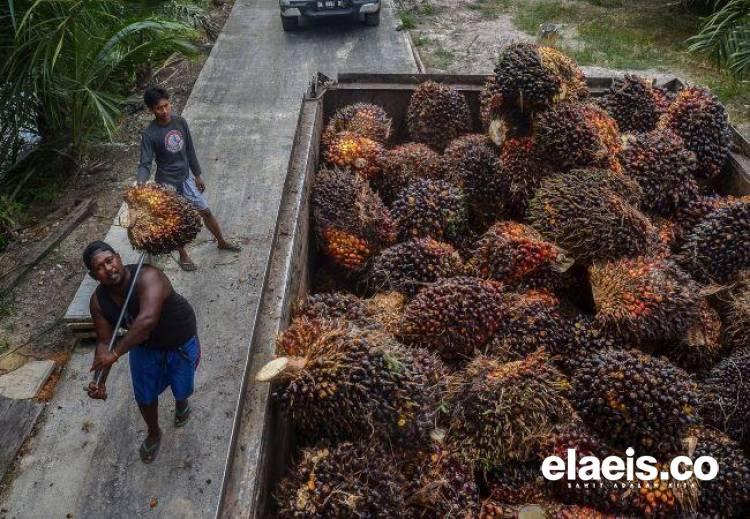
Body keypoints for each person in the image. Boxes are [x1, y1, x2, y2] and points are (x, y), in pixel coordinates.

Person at [84, 241, 201, 464]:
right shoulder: (98, 302)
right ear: (93, 275)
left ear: (118, 257)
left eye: (110, 260)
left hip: (177, 337)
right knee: (144, 394)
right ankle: (154, 432)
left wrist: (115, 354)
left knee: (182, 385)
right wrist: (100, 380)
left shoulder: (148, 276)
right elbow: (104, 342)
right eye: (100, 267)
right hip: (144, 345)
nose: (108, 269)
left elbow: (146, 321)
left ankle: (181, 402)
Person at [137, 86, 241, 271]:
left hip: (186, 178)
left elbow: (190, 150)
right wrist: (141, 184)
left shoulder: (180, 123)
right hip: (167, 183)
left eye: (167, 105)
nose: (165, 111)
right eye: (159, 108)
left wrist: (198, 175)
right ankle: (183, 255)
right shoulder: (150, 134)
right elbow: (145, 163)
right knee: (175, 222)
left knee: (206, 211)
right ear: (152, 110)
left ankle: (221, 241)